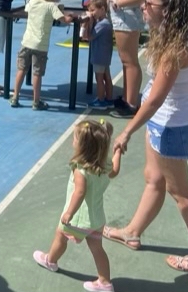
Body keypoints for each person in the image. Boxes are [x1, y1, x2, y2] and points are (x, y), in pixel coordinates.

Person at [103, 0, 188, 277]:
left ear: (167, 12)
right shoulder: (172, 37)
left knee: (182, 195)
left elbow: (154, 101)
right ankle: (133, 232)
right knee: (154, 178)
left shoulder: (174, 50)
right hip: (166, 124)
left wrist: (126, 132)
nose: (143, 6)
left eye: (149, 4)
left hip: (171, 127)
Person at [34, 120, 122, 292]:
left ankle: (50, 260)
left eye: (75, 139)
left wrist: (69, 213)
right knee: (97, 247)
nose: (72, 141)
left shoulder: (80, 169)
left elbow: (79, 192)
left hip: (78, 219)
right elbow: (115, 171)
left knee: (60, 235)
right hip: (97, 219)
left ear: (83, 146)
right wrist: (117, 152)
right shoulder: (104, 165)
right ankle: (105, 282)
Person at [10, 0, 75, 110]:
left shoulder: (32, 2)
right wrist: (71, 16)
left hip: (26, 42)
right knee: (37, 73)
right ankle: (36, 101)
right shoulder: (51, 7)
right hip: (40, 45)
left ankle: (15, 97)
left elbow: (32, 7)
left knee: (21, 70)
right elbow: (64, 20)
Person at [108, 0, 151, 116]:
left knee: (130, 61)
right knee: (126, 61)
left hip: (127, 16)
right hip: (123, 16)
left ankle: (131, 103)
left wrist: (119, 2)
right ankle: (128, 97)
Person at [87, 0, 114, 109]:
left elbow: (89, 36)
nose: (92, 13)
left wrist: (89, 23)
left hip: (99, 55)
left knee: (99, 78)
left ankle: (101, 100)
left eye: (93, 10)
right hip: (105, 54)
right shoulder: (106, 22)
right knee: (106, 77)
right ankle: (109, 99)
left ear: (102, 9)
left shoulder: (102, 24)